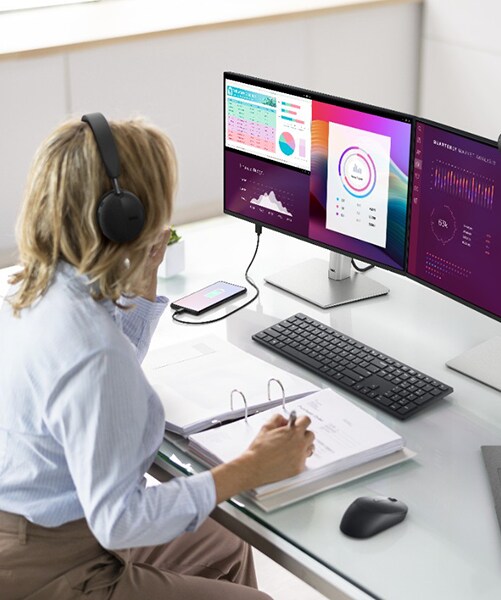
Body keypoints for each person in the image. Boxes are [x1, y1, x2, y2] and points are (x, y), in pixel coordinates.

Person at [0, 114, 315, 600]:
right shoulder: (89, 351)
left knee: (229, 545)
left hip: (45, 524)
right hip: (48, 566)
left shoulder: (39, 284)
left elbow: (106, 376)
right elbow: (119, 522)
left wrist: (141, 280)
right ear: (122, 215)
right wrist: (250, 467)